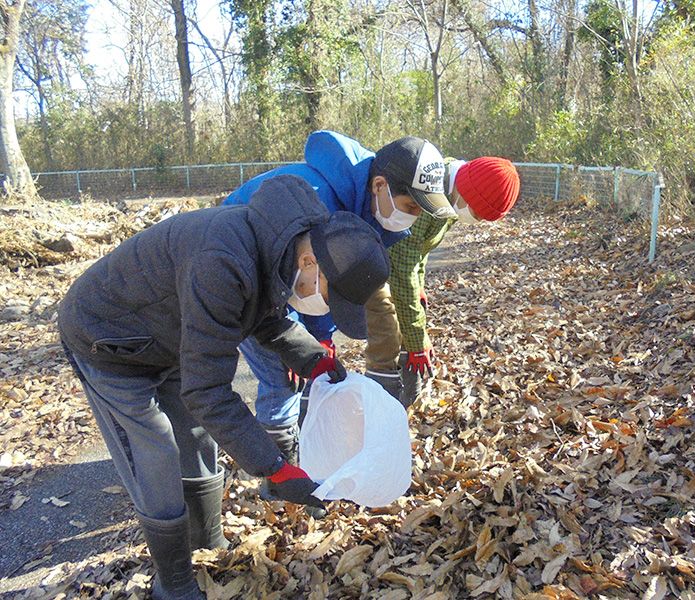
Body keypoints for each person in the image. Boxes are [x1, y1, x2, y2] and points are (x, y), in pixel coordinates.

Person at [58, 175, 391, 600]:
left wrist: (314, 358)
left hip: (170, 333)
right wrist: (274, 466)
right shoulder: (225, 258)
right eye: (330, 294)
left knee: (196, 436)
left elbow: (260, 316)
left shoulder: (277, 246)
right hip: (106, 339)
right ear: (310, 263)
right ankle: (174, 583)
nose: (326, 306)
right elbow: (208, 391)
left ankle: (207, 541)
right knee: (156, 452)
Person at [222, 131, 455, 492]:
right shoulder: (318, 202)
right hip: (245, 273)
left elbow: (337, 285)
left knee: (306, 369)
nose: (412, 219)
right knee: (280, 378)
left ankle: (292, 461)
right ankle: (277, 485)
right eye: (411, 208)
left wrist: (322, 338)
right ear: (380, 186)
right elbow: (286, 275)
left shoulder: (370, 207)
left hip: (292, 278)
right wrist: (296, 340)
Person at [363, 157, 521, 407]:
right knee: (386, 330)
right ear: (469, 192)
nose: (476, 220)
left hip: (393, 260)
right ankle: (379, 404)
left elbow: (420, 249)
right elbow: (402, 270)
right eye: (478, 213)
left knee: (413, 310)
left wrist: (420, 285)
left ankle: (405, 389)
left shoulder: (451, 194)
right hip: (370, 258)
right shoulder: (428, 197)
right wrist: (417, 342)